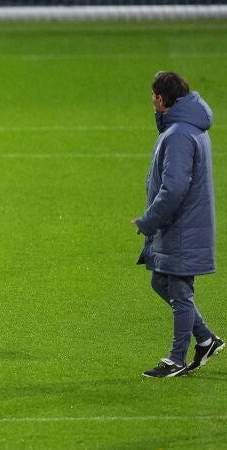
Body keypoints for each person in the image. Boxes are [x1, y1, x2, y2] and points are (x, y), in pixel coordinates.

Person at [133, 71, 224, 377]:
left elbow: (173, 189)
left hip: (182, 227)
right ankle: (207, 339)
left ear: (161, 99)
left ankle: (176, 360)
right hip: (185, 225)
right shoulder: (189, 128)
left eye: (153, 98)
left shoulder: (179, 135)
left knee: (179, 290)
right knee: (161, 281)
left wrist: (148, 221)